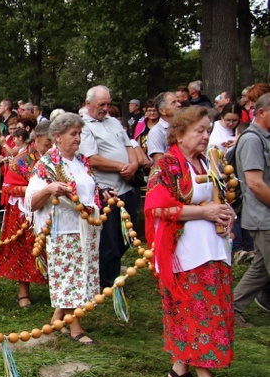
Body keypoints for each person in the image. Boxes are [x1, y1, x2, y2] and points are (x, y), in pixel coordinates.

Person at [145, 106, 234, 377]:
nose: (206, 135)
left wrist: (225, 214)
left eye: (208, 130)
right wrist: (205, 212)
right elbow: (157, 207)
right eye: (200, 130)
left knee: (207, 308)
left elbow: (219, 198)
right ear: (180, 134)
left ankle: (179, 368)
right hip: (185, 254)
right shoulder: (167, 165)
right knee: (197, 311)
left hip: (213, 250)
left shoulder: (206, 162)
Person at [25, 114, 105, 345]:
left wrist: (104, 194)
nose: (78, 139)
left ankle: (57, 319)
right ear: (57, 137)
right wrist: (49, 189)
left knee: (80, 273)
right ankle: (75, 327)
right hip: (62, 228)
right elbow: (31, 203)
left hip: (86, 227)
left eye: (79, 134)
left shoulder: (81, 161)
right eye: (73, 134)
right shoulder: (46, 165)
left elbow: (89, 189)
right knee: (69, 276)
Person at [80, 85, 140, 289]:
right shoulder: (84, 126)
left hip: (125, 186)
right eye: (101, 104)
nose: (105, 108)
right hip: (106, 189)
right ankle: (107, 282)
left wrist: (133, 164)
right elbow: (92, 158)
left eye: (108, 103)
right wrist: (122, 166)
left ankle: (107, 268)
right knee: (110, 239)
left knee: (130, 234)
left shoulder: (113, 122)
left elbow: (129, 145)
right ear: (89, 104)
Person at [0, 121, 50, 307]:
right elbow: (9, 186)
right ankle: (23, 292)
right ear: (39, 137)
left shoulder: (55, 158)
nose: (52, 144)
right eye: (49, 140)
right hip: (24, 211)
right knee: (25, 248)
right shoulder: (23, 159)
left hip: (53, 209)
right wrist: (38, 190)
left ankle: (58, 289)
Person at [232, 93, 270, 318]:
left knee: (260, 269)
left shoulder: (264, 137)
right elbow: (255, 184)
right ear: (261, 112)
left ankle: (233, 309)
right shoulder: (251, 140)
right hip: (263, 217)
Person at [146, 91, 181, 164]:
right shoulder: (156, 132)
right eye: (173, 103)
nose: (179, 104)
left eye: (178, 101)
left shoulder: (184, 127)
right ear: (162, 111)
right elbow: (160, 162)